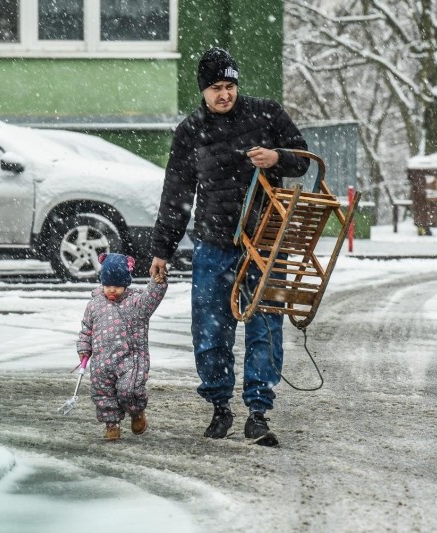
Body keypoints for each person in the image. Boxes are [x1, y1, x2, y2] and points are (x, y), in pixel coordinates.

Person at [149, 47, 311, 447]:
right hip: (213, 243)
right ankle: (220, 406)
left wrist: (276, 157)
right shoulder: (189, 132)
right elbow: (177, 194)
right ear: (203, 91)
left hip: (267, 240)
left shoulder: (267, 114)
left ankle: (258, 412)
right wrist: (161, 250)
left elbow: (303, 160)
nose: (225, 94)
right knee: (210, 330)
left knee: (266, 326)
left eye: (230, 86)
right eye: (216, 88)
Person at [77, 252, 168, 441]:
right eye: (108, 285)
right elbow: (87, 328)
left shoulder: (135, 302)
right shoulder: (94, 304)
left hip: (130, 360)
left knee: (129, 390)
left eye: (117, 286)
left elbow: (150, 298)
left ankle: (136, 412)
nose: (112, 290)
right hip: (102, 361)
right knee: (102, 392)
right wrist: (84, 348)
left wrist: (157, 283)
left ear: (125, 284)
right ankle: (112, 424)